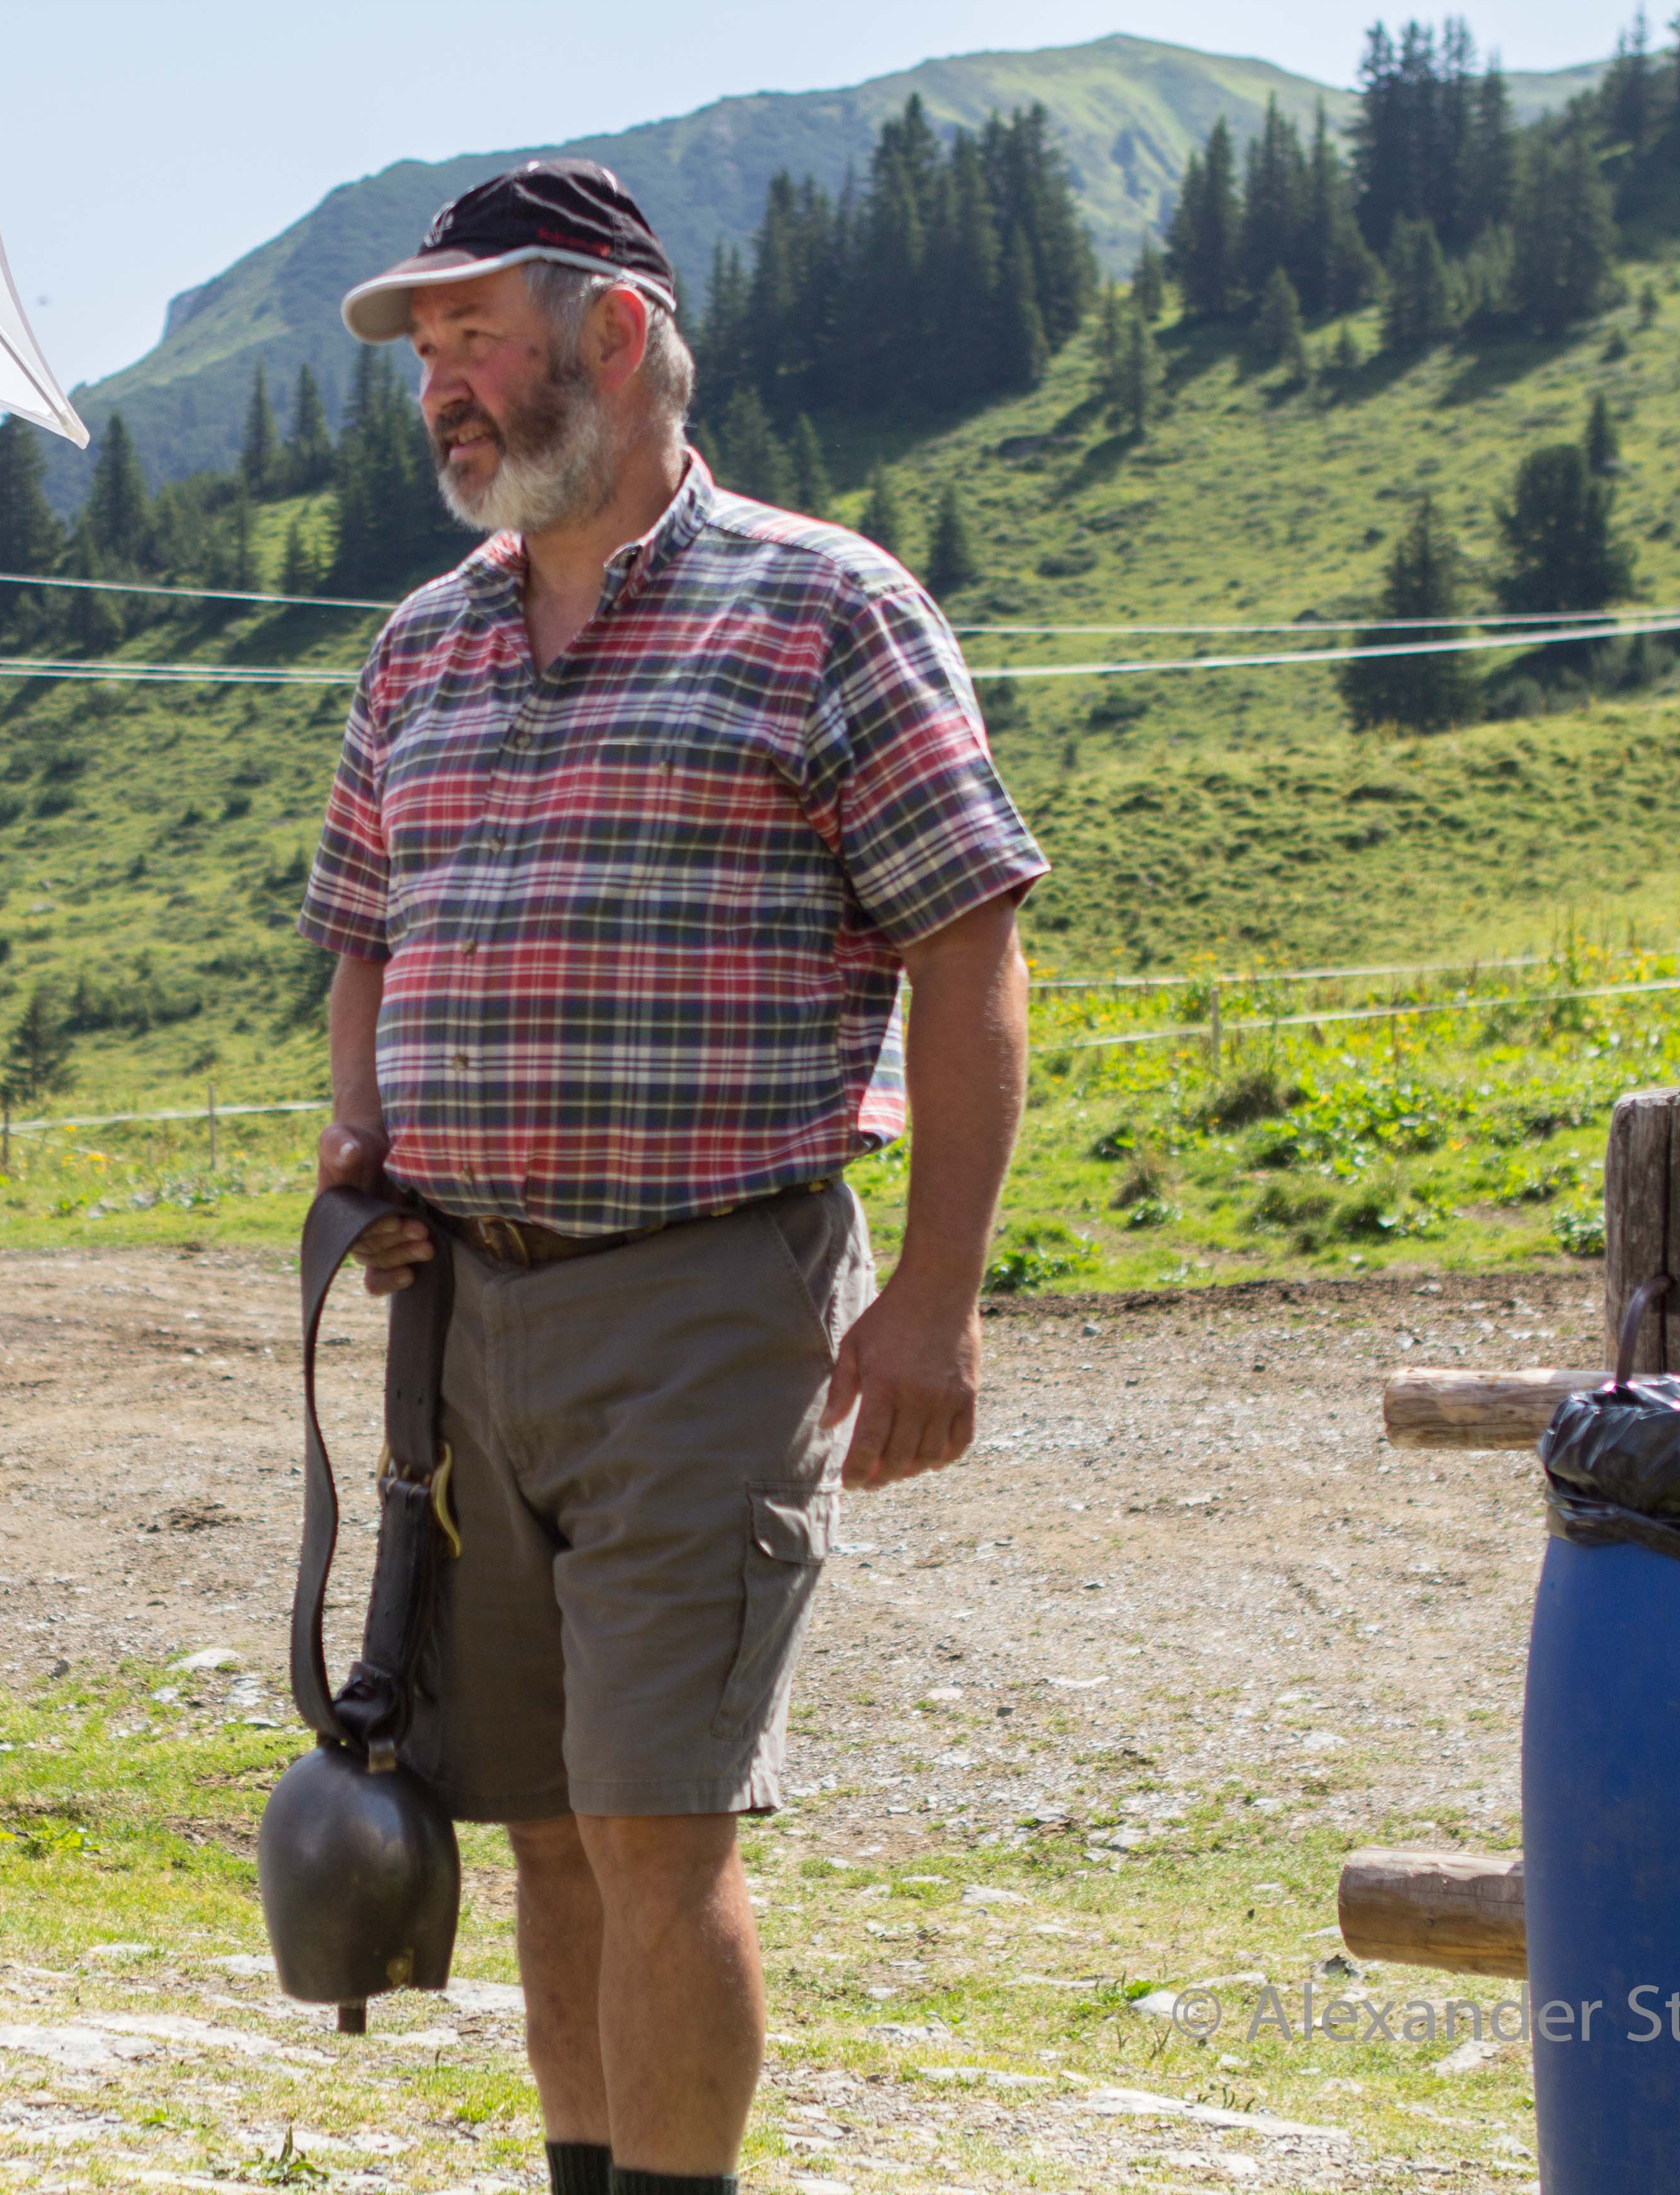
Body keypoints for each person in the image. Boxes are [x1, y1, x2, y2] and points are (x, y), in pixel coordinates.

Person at [300, 163, 1048, 2195]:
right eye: (426, 355)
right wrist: (364, 1135)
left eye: (475, 338)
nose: (442, 389)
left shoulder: (827, 608)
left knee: (655, 1827)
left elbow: (969, 945)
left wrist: (938, 1301)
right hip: (464, 1316)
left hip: (711, 1302)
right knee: (541, 1824)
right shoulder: (421, 648)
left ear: (614, 334)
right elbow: (364, 926)